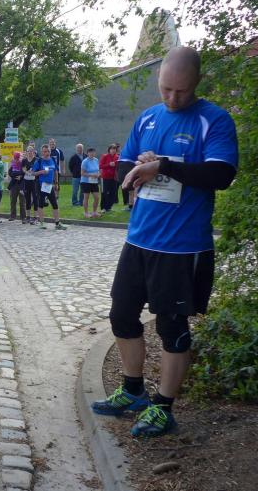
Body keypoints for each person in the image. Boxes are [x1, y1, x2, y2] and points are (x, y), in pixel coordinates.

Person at [91, 47, 238, 438]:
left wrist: (164, 165)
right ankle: (133, 390)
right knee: (122, 315)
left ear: (197, 83)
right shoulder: (148, 117)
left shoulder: (214, 120)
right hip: (139, 239)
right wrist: (140, 166)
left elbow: (221, 175)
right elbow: (122, 167)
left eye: (182, 91)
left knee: (172, 327)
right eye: (166, 89)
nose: (173, 98)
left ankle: (163, 407)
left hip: (182, 247)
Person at [32, 144, 67, 230]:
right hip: (41, 185)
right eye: (44, 151)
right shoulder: (39, 161)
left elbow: (55, 171)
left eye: (48, 151)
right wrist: (41, 172)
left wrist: (56, 183)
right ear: (42, 152)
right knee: (41, 204)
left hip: (49, 185)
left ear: (50, 151)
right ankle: (42, 223)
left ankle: (57, 223)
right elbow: (33, 173)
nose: (46, 153)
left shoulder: (53, 160)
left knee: (54, 203)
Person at [80, 147, 101, 218]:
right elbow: (82, 173)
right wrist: (92, 175)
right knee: (86, 197)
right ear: (87, 153)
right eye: (90, 152)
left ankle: (94, 212)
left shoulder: (96, 160)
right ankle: (86, 213)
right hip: (86, 182)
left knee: (97, 197)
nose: (92, 153)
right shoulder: (85, 161)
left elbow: (98, 170)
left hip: (94, 182)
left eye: (93, 152)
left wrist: (98, 174)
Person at [21, 146, 40, 225]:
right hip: (26, 181)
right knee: (27, 199)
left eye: (31, 151)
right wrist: (25, 171)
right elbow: (22, 168)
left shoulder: (37, 160)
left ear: (34, 152)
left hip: (34, 181)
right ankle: (28, 217)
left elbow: (39, 170)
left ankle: (35, 217)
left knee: (35, 199)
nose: (29, 152)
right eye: (28, 151)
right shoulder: (24, 160)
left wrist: (33, 172)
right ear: (26, 152)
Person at [7, 151, 26, 223]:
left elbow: (25, 173)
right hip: (14, 185)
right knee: (13, 201)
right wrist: (15, 176)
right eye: (15, 158)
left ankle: (23, 217)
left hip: (22, 185)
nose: (17, 159)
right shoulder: (13, 163)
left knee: (22, 202)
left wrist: (21, 176)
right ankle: (12, 216)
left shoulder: (23, 163)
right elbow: (10, 172)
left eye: (18, 158)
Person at [100, 144, 119, 212]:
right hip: (105, 177)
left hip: (114, 177)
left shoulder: (117, 157)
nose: (113, 150)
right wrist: (109, 164)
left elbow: (119, 166)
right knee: (105, 192)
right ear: (109, 150)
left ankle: (109, 207)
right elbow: (100, 166)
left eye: (114, 149)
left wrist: (116, 165)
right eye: (112, 149)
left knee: (113, 192)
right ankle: (103, 207)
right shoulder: (105, 156)